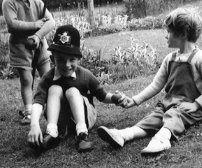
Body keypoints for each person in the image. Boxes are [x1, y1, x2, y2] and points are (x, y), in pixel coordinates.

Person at [97, 8, 202, 155]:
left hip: (188, 108)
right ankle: (123, 135)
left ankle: (162, 139)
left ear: (182, 34)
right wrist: (134, 100)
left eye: (168, 31)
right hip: (168, 104)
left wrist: (196, 104)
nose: (165, 36)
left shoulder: (201, 58)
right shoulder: (169, 59)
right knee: (153, 118)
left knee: (173, 115)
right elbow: (156, 85)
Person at [27, 25, 127, 153]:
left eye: (72, 60)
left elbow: (101, 95)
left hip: (85, 118)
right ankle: (52, 133)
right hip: (61, 122)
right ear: (53, 59)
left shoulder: (85, 75)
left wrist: (115, 98)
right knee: (54, 89)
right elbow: (38, 101)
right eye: (61, 60)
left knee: (72, 91)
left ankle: (82, 135)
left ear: (79, 59)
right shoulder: (48, 77)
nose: (67, 65)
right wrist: (34, 125)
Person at [2, 0, 55, 125]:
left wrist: (38, 36)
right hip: (20, 47)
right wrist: (35, 24)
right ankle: (29, 111)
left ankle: (49, 106)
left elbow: (51, 22)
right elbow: (12, 24)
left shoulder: (38, 3)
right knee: (26, 79)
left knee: (47, 77)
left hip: (40, 46)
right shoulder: (9, 2)